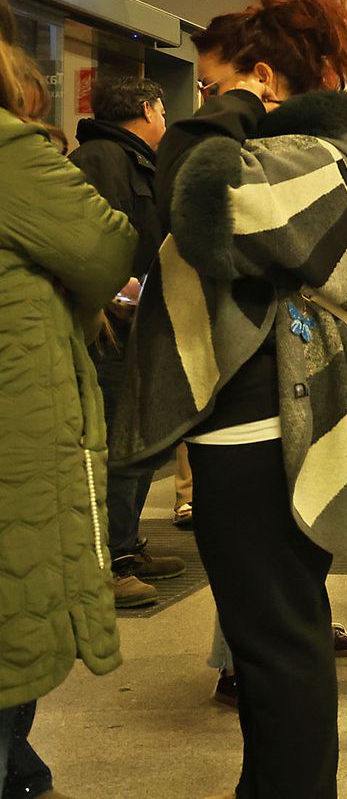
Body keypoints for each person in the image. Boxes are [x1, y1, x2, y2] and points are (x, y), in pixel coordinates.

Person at [111, 0, 347, 798]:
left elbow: (200, 206)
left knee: (277, 647)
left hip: (263, 434)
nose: (202, 104)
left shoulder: (311, 157)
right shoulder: (304, 151)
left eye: (212, 86)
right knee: (278, 639)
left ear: (264, 78)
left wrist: (233, 103)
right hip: (262, 429)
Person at [0, 29, 135, 799]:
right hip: (16, 419)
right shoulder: (12, 153)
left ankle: (23, 768)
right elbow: (105, 247)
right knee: (17, 609)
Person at [69, 76, 187, 608]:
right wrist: (116, 291)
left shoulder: (136, 160)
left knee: (138, 442)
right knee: (117, 444)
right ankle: (108, 563)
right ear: (146, 108)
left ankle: (126, 545)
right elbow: (93, 240)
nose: (165, 119)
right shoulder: (100, 159)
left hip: (141, 325)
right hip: (112, 330)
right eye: (161, 109)